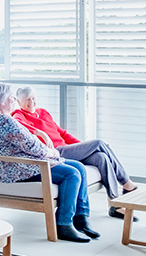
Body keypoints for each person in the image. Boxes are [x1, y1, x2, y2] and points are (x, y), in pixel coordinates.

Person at [0, 83, 99, 242]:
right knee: (71, 174)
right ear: (1, 100)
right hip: (18, 168)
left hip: (20, 164)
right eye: (11, 97)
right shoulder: (5, 121)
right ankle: (64, 224)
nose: (14, 100)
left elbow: (26, 142)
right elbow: (31, 145)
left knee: (79, 166)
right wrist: (52, 152)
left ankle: (81, 217)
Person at [12, 86, 138, 219]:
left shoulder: (43, 112)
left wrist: (82, 146)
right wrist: (39, 132)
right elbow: (19, 127)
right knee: (99, 143)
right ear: (19, 102)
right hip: (55, 153)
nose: (31, 102)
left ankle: (115, 205)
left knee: (101, 157)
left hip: (66, 149)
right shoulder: (18, 115)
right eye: (27, 100)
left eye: (33, 98)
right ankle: (127, 183)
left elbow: (62, 133)